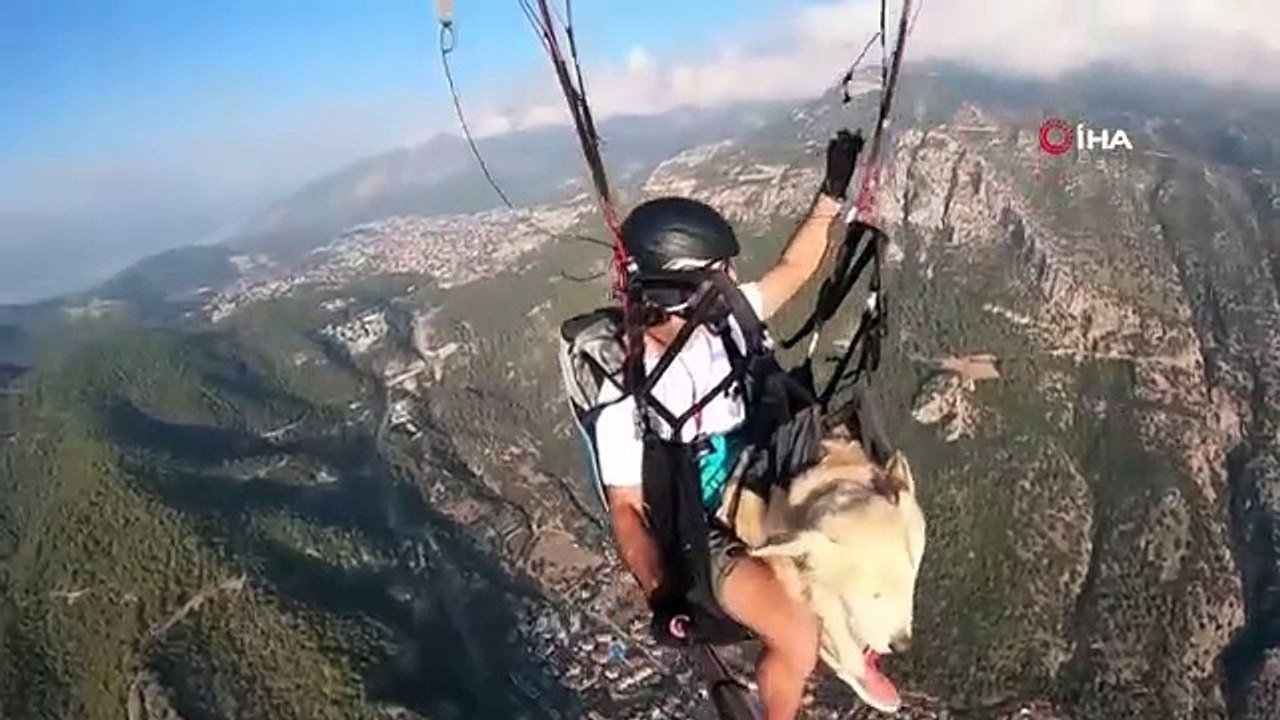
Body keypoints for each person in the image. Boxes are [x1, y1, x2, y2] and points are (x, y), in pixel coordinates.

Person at [591, 131, 862, 720]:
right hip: (708, 530)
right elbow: (627, 509)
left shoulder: (727, 322)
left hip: (765, 476)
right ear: (688, 281)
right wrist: (662, 591)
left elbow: (795, 267)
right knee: (797, 635)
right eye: (719, 271)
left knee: (866, 518)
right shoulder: (629, 387)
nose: (732, 277)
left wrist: (831, 196)